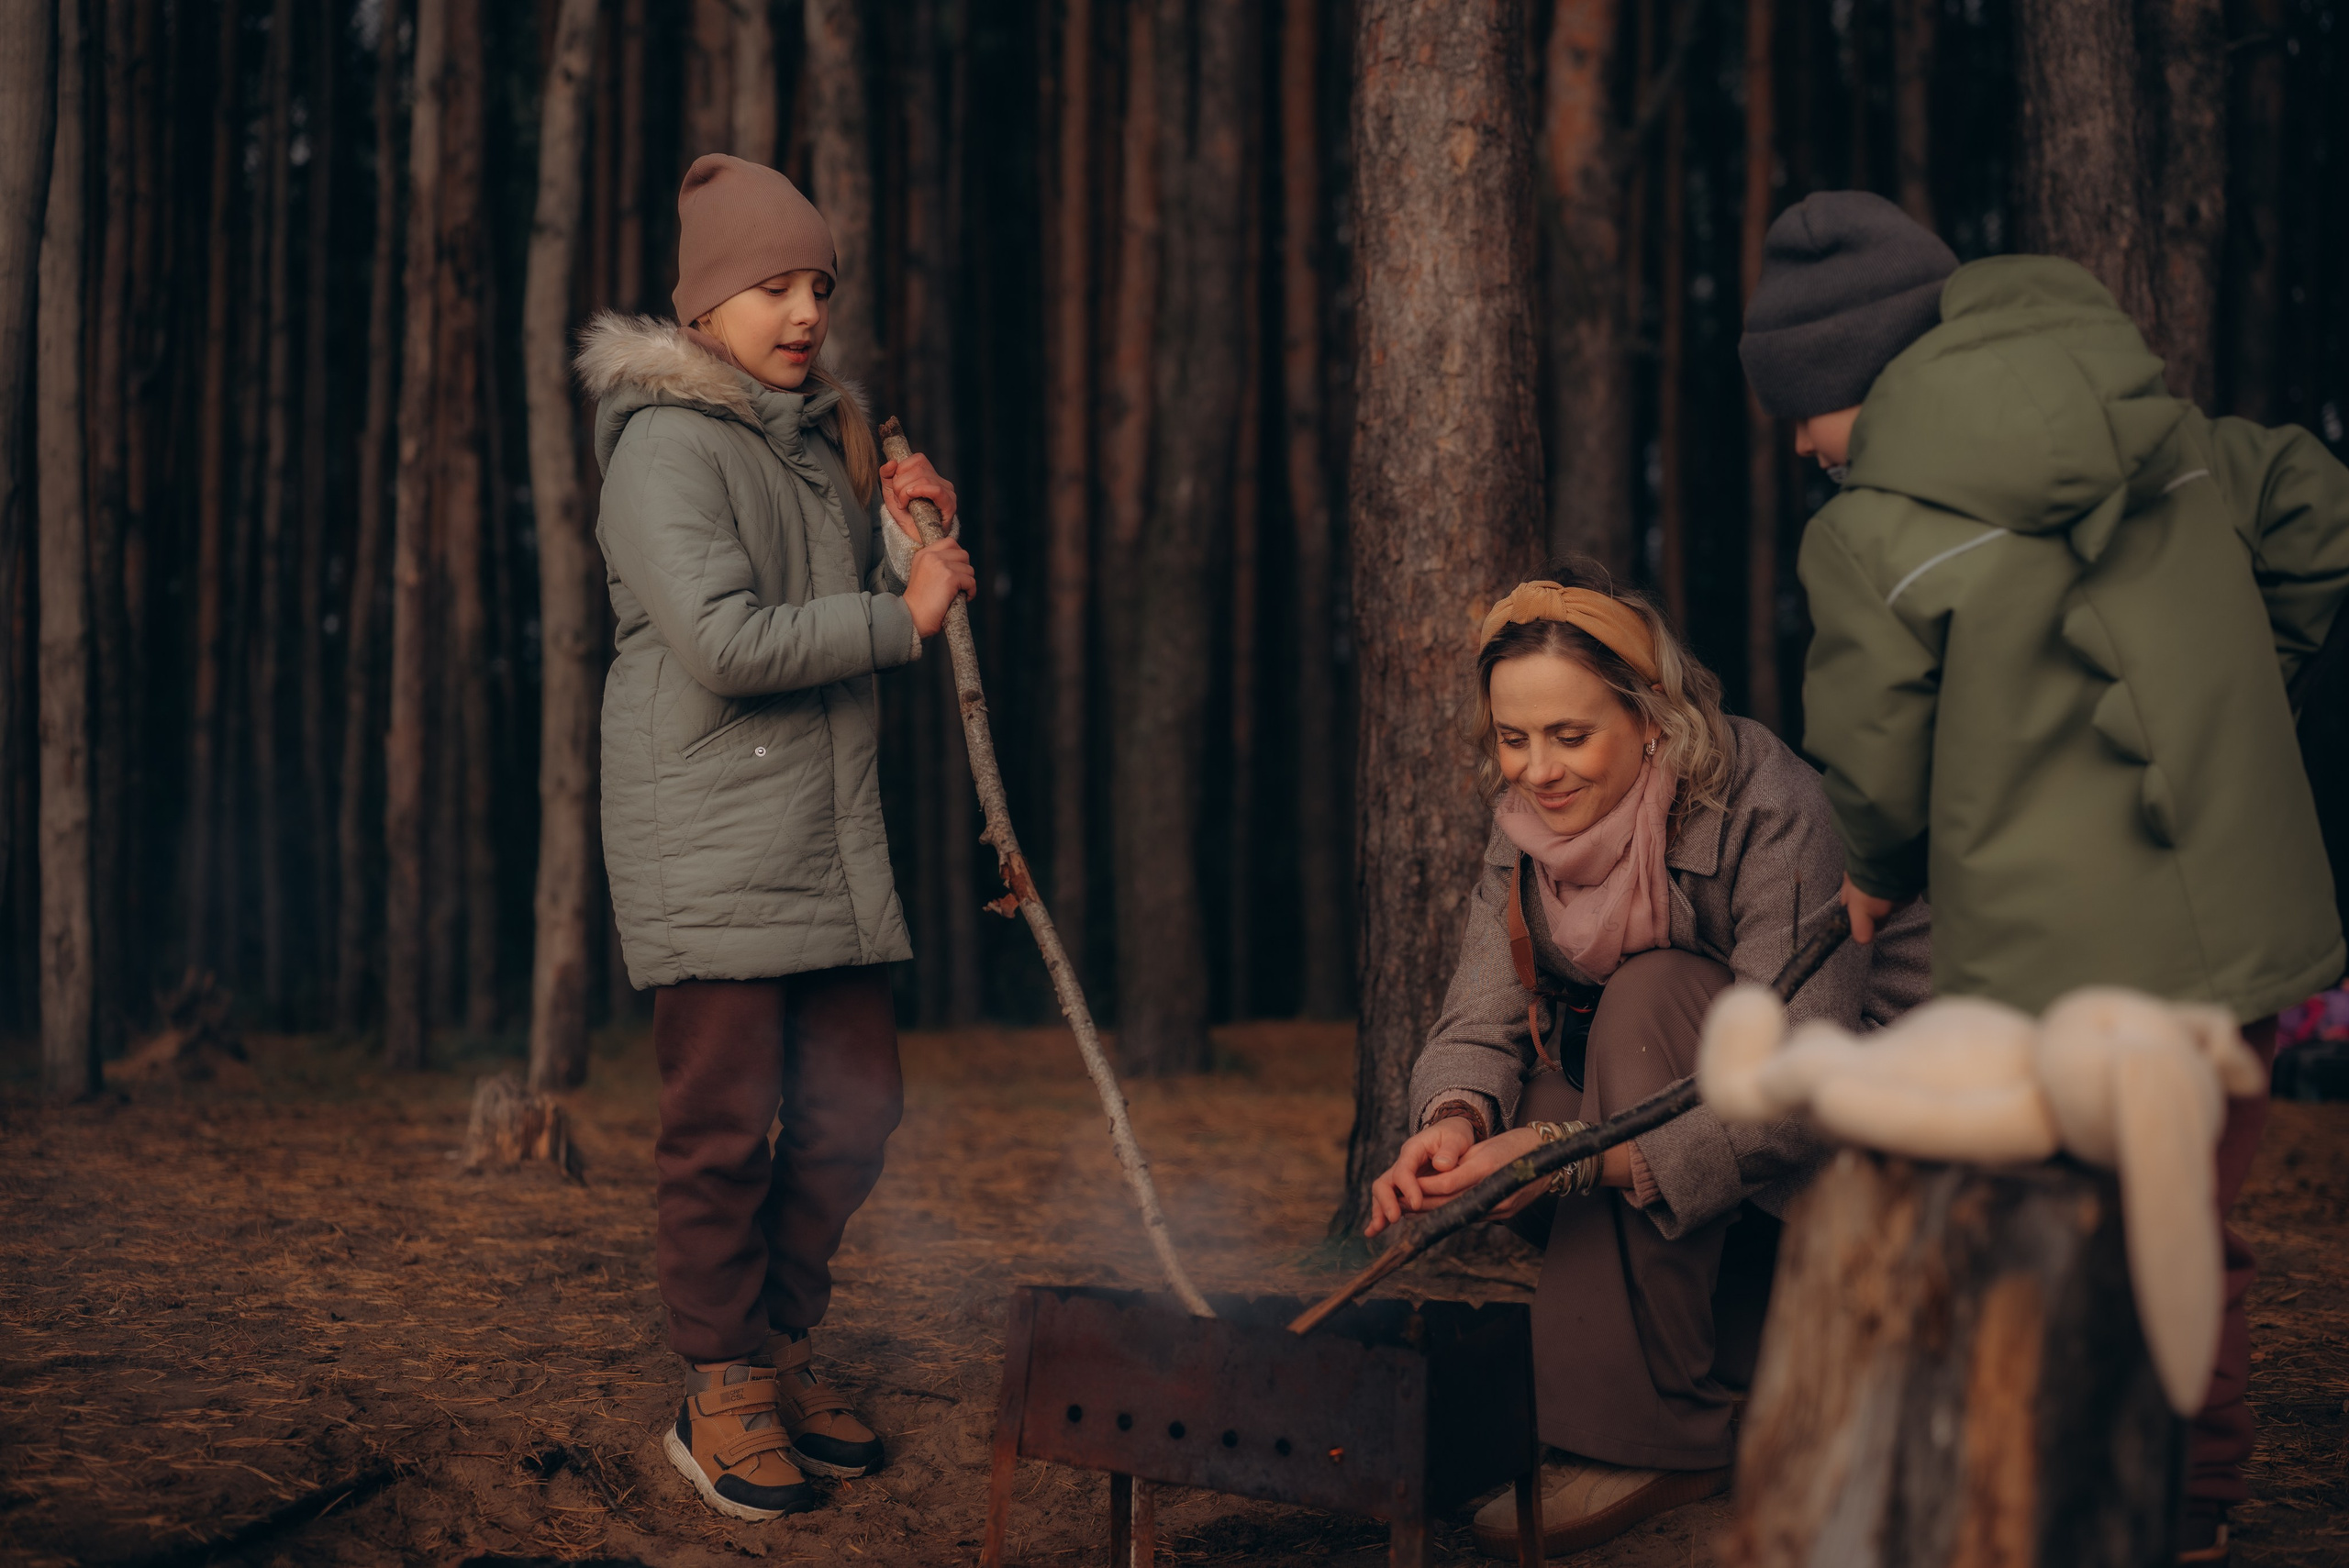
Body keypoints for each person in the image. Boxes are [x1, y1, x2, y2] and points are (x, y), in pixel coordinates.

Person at [1741, 188, 2349, 1565]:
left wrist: (1872, 872)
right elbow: (2317, 508)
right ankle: (2191, 1503)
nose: (1800, 443)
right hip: (2239, 928)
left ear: (1858, 376)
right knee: (2190, 1212)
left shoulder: (1868, 534)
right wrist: (2247, 694)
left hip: (2062, 974)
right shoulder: (2151, 427)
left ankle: (2095, 1497)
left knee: (2080, 1228)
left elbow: (1872, 758)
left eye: (1803, 409)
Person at [1366, 564, 1930, 1562]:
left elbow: (1794, 1089)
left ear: (1653, 717)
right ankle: (1716, 1369)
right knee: (1532, 1097)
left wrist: (1568, 1157)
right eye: (1512, 738)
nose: (1538, 769)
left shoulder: (1775, 806)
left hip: (1866, 1160)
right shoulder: (1527, 826)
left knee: (1649, 996)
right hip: (1705, 1150)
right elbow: (1478, 1015)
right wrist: (1452, 1122)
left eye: (1569, 734)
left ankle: (1638, 1439)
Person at [575, 154, 976, 1523]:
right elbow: (726, 642)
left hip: (820, 837)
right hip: (710, 840)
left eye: (818, 286)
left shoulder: (816, 438)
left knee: (859, 1108)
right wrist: (900, 619)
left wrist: (910, 534)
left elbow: (866, 598)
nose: (804, 311)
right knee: (721, 1131)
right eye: (772, 287)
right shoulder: (662, 444)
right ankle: (720, 1382)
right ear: (704, 306)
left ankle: (778, 1341)